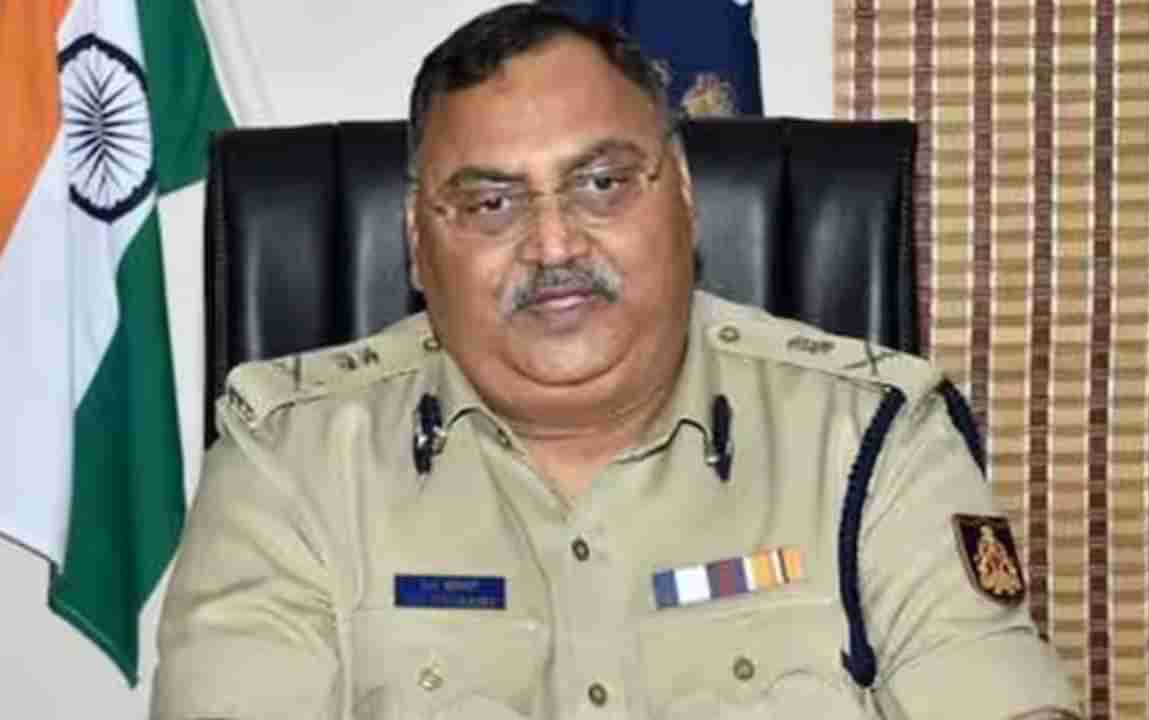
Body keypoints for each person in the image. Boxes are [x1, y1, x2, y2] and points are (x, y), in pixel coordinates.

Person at [152, 4, 1081, 719]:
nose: (554, 244)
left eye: (601, 183)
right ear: (415, 244)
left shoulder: (871, 440)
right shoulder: (291, 461)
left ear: (684, 197)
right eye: (490, 203)